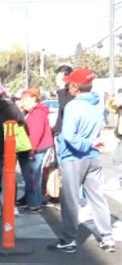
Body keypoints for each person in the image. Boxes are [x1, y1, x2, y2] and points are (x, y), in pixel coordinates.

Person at [47, 68, 116, 254]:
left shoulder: (73, 106)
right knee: (97, 198)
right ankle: (107, 238)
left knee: (70, 201)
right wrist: (92, 143)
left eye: (69, 83)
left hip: (74, 158)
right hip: (93, 156)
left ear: (75, 86)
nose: (67, 86)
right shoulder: (98, 103)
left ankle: (69, 240)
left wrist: (86, 143)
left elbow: (69, 136)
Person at [0, 84, 23, 216]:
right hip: (11, 147)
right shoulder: (12, 108)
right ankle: (12, 206)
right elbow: (22, 124)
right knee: (10, 177)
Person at [19, 88, 54, 213]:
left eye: (24, 99)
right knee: (31, 176)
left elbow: (35, 134)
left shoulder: (37, 113)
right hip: (32, 148)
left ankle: (34, 203)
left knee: (32, 177)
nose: (22, 102)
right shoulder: (30, 112)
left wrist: (31, 151)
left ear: (33, 99)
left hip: (35, 149)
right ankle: (31, 199)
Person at [53, 64, 74, 136]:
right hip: (61, 131)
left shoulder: (71, 91)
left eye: (58, 76)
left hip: (67, 133)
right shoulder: (64, 91)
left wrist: (61, 86)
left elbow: (65, 107)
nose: (56, 78)